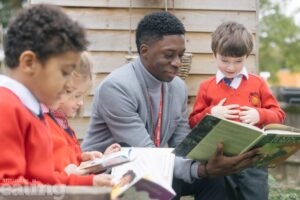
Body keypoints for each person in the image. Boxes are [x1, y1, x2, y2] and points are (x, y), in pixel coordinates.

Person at [82, 12, 260, 199]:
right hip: (107, 175)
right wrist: (201, 169)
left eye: (180, 55)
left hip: (152, 165)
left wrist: (211, 160)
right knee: (167, 180)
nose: (177, 63)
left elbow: (182, 143)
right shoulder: (117, 87)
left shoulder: (177, 87)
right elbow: (147, 153)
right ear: (144, 51)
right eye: (169, 55)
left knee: (215, 180)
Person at [0, 4, 113, 187]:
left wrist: (89, 183)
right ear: (29, 63)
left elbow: (45, 180)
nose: (68, 83)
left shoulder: (32, 110)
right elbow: (7, 187)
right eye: (64, 72)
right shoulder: (6, 107)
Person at [189, 21, 286, 200]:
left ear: (246, 56)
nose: (231, 67)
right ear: (214, 54)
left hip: (253, 159)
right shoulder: (206, 87)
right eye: (224, 60)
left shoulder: (258, 83)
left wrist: (260, 114)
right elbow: (193, 121)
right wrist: (211, 113)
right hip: (218, 160)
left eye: (238, 61)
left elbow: (279, 115)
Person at [42, 51, 121, 181]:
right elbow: (55, 178)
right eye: (76, 95)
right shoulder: (45, 126)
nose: (80, 103)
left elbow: (69, 161)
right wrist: (85, 170)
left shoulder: (61, 122)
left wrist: (86, 159)